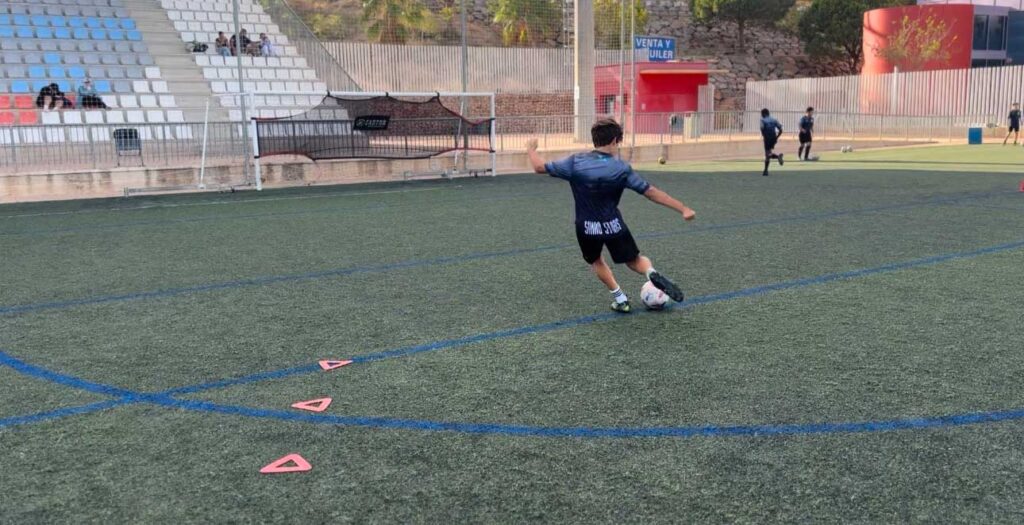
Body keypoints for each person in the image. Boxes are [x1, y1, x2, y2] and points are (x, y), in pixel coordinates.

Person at [525, 119, 695, 313]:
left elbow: (539, 167)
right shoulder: (621, 168)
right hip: (614, 224)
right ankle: (651, 273)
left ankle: (620, 298)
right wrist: (683, 208)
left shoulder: (576, 162)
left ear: (595, 140)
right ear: (615, 140)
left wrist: (531, 149)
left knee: (596, 260)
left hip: (586, 226)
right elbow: (650, 192)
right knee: (635, 260)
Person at [760, 108, 784, 176]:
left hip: (767, 138)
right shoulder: (774, 119)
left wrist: (764, 135)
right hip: (773, 137)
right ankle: (765, 171)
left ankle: (778, 157)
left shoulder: (762, 120)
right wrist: (777, 137)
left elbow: (762, 128)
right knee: (768, 153)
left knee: (767, 154)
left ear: (763, 114)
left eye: (762, 114)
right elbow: (781, 129)